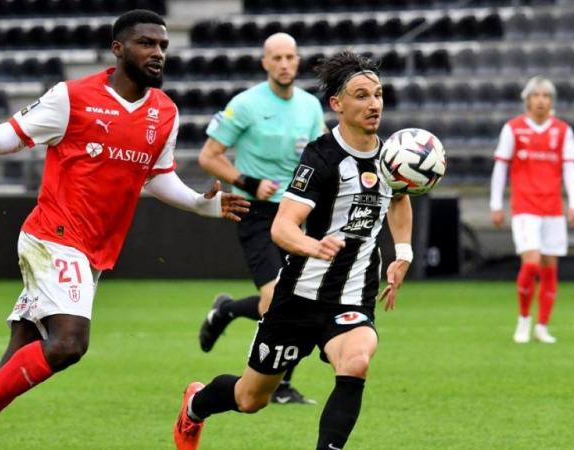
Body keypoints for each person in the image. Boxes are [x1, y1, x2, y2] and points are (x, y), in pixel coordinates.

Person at [0, 10, 249, 450]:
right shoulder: (72, 97)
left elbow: (156, 177)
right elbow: (10, 138)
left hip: (92, 250)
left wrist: (202, 205)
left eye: (162, 46)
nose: (157, 53)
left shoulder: (165, 112)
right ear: (118, 49)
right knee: (68, 344)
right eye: (146, 44)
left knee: (14, 359)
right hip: (54, 236)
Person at [173, 51, 414, 450]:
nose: (374, 104)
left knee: (356, 361)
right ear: (337, 104)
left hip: (352, 296)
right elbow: (282, 227)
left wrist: (401, 253)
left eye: (378, 94)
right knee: (251, 399)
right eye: (361, 95)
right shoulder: (320, 158)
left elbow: (401, 198)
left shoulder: (391, 157)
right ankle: (196, 404)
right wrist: (313, 245)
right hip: (299, 299)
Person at [196, 32, 325, 404]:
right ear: (265, 63)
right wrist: (248, 181)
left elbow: (318, 158)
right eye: (277, 58)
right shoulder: (247, 104)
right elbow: (209, 155)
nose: (285, 64)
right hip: (255, 211)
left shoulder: (310, 107)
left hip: (294, 212)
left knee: (295, 300)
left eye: (290, 57)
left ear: (298, 61)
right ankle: (232, 318)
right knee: (274, 300)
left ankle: (230, 314)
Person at [490, 75, 574, 345]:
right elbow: (501, 167)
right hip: (525, 207)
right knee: (530, 263)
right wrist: (496, 204)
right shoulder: (513, 129)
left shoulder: (562, 130)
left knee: (550, 268)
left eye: (546, 96)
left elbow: (569, 169)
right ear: (527, 100)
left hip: (552, 208)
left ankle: (542, 325)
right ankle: (523, 320)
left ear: (551, 101)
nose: (541, 101)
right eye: (536, 95)